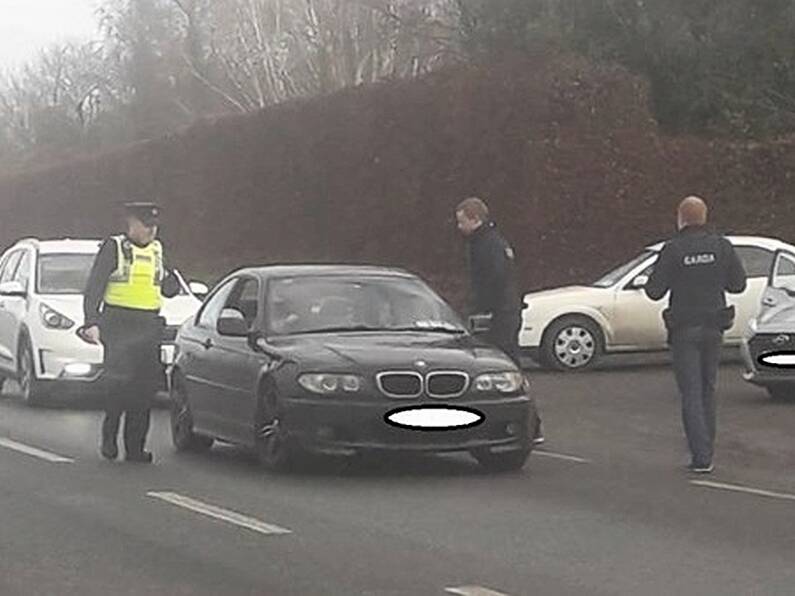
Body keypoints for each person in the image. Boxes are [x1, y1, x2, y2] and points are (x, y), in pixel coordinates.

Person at [644, 196, 747, 474]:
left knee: (690, 392)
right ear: (704, 217)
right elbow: (738, 284)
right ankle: (707, 449)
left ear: (681, 218)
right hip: (714, 327)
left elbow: (654, 291)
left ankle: (701, 455)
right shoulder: (722, 246)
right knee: (708, 390)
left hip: (685, 329)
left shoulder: (673, 249)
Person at [82, 202, 180, 463]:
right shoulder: (114, 248)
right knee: (118, 386)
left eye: (155, 226)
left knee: (144, 391)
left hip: (148, 326)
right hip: (119, 325)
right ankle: (110, 435)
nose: (151, 231)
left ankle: (135, 448)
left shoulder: (158, 251)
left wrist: (170, 278)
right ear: (131, 224)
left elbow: (169, 289)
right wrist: (91, 322)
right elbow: (94, 287)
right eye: (146, 225)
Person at [455, 196, 544, 445]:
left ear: (475, 219)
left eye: (461, 221)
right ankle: (525, 425)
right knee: (506, 370)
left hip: (498, 316)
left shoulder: (485, 245)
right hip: (506, 312)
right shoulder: (495, 242)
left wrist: (479, 310)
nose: (459, 227)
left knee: (504, 371)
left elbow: (491, 282)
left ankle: (528, 426)